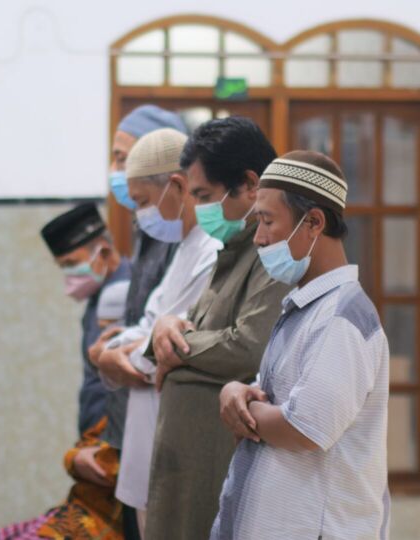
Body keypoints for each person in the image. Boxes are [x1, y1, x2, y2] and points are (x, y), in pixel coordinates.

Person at [212, 150, 391, 540]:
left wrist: (238, 407)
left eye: (267, 221)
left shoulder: (343, 317)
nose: (258, 237)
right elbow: (270, 398)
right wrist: (237, 391)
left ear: (313, 222)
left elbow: (303, 429)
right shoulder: (306, 306)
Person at [143, 117, 290, 540]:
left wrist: (167, 343)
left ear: (249, 184)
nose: (201, 209)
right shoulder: (234, 249)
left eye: (206, 196)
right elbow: (199, 329)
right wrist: (167, 328)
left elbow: (246, 348)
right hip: (188, 461)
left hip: (216, 459)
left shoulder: (272, 254)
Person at [95, 128, 221, 536]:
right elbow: (147, 327)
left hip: (185, 441)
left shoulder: (212, 250)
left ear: (177, 186)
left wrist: (115, 357)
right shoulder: (185, 247)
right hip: (151, 438)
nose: (140, 215)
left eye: (144, 202)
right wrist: (113, 353)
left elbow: (174, 347)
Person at [0, 204, 130, 540]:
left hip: (113, 455)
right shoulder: (99, 297)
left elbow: (125, 388)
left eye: (71, 264)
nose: (69, 275)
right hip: (96, 453)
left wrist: (83, 456)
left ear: (103, 250)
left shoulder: (124, 295)